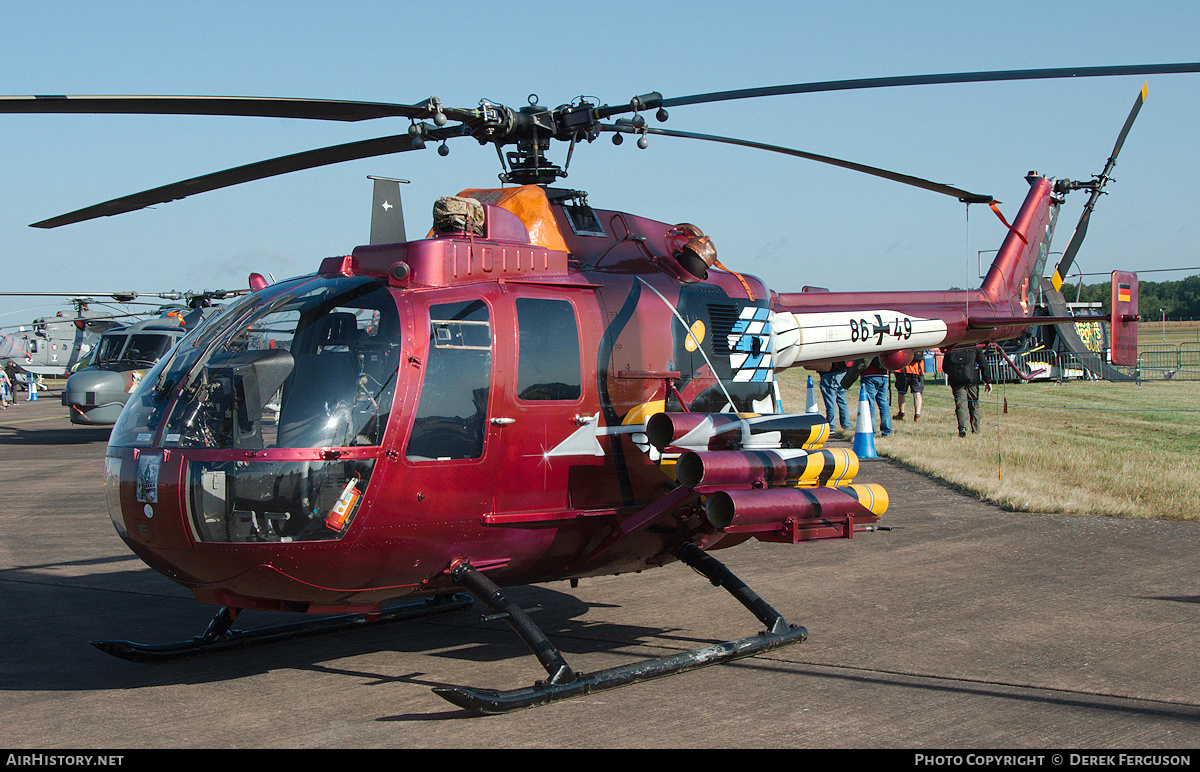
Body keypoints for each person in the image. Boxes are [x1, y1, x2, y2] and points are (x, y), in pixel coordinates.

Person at [943, 346, 993, 437]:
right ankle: (976, 429)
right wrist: (988, 380)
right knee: (974, 405)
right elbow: (983, 364)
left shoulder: (953, 346)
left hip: (957, 381)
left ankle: (963, 428)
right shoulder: (974, 346)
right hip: (972, 380)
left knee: (961, 405)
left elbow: (945, 367)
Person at [858, 357, 892, 437]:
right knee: (884, 405)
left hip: (869, 374)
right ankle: (887, 431)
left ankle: (871, 431)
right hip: (883, 374)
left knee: (870, 405)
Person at [819, 360, 852, 437]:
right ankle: (846, 425)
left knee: (831, 402)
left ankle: (831, 426)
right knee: (842, 401)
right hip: (842, 373)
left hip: (829, 374)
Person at [893, 351, 926, 422]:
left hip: (902, 367)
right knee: (917, 393)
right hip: (917, 368)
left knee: (901, 392)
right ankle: (917, 415)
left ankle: (902, 414)